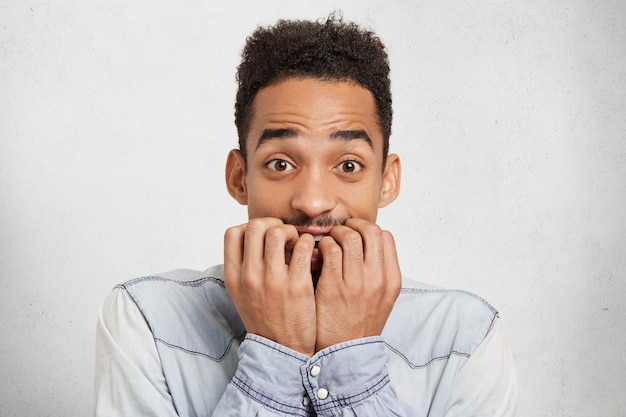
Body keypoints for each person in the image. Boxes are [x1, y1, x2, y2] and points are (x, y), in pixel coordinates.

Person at [93, 16, 517, 416]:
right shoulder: (148, 320)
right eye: (281, 164)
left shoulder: (464, 339)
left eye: (348, 165)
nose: (313, 202)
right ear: (239, 178)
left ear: (386, 181)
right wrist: (275, 355)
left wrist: (353, 360)